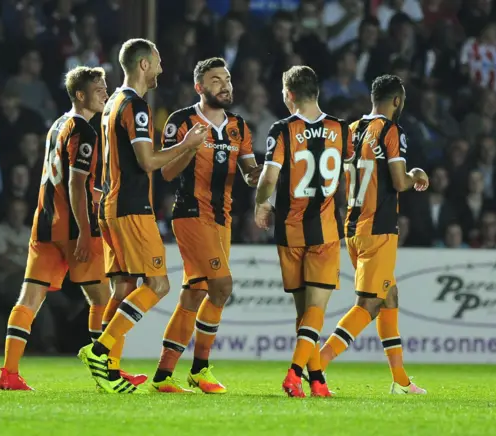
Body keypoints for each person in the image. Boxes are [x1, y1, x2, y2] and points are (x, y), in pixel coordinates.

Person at [78, 38, 208, 394]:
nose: (162, 69)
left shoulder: (111, 104)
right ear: (144, 65)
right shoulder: (134, 107)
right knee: (158, 284)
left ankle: (110, 371)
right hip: (131, 207)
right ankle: (100, 351)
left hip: (110, 205)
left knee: (123, 287)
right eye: (159, 62)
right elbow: (147, 162)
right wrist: (187, 146)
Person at [0, 66, 112, 391]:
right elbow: (77, 186)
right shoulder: (84, 130)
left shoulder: (56, 125)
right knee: (103, 300)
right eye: (99, 88)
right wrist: (87, 231)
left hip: (44, 223)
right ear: (80, 94)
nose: (105, 93)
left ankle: (9, 373)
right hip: (74, 227)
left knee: (29, 298)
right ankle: (107, 375)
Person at [150, 57, 261, 394]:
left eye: (227, 78)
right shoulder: (181, 121)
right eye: (215, 80)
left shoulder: (239, 126)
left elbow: (249, 173)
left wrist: (270, 174)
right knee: (222, 287)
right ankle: (200, 369)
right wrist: (189, 147)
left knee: (196, 292)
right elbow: (166, 174)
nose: (224, 85)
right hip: (190, 213)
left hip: (222, 218)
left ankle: (163, 375)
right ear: (199, 87)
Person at [319, 74, 429, 394]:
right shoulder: (392, 131)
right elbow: (398, 181)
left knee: (389, 296)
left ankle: (400, 380)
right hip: (379, 228)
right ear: (397, 101)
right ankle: (316, 365)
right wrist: (417, 175)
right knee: (368, 304)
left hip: (352, 227)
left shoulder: (351, 131)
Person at [254, 66, 353, 398]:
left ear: (289, 94)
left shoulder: (282, 129)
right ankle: (297, 375)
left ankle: (317, 380)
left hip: (289, 230)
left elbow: (268, 178)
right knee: (315, 312)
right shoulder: (340, 128)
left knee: (303, 314)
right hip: (324, 230)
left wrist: (261, 204)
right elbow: (351, 174)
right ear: (316, 93)